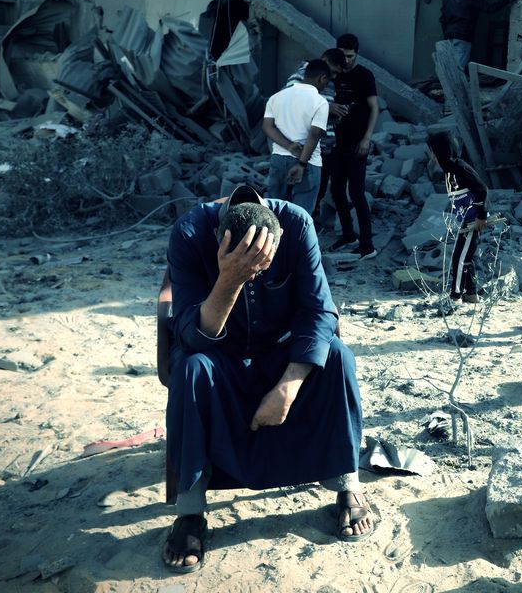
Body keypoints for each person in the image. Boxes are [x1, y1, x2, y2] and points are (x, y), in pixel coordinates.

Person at [160, 185, 376, 574]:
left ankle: (347, 484)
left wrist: (289, 385)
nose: (259, 272)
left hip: (279, 354)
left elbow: (320, 311)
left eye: (264, 265)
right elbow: (191, 336)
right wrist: (230, 278)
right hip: (218, 357)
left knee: (339, 357)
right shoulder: (190, 232)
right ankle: (190, 513)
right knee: (191, 370)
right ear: (218, 239)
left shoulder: (295, 222)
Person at [326, 33, 380, 260]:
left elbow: (374, 108)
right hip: (335, 142)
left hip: (357, 143)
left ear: (357, 54)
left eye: (351, 56)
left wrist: (367, 138)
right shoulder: (333, 73)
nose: (347, 61)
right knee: (336, 190)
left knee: (356, 193)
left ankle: (367, 245)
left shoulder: (364, 75)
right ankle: (348, 235)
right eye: (344, 56)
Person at [282, 49, 347, 227]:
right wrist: (328, 107)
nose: (333, 76)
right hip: (302, 149)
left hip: (323, 149)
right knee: (296, 194)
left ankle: (302, 231)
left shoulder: (329, 82)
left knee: (313, 194)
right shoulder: (301, 75)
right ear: (324, 60)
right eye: (332, 71)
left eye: (336, 74)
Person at [426, 130, 489, 303]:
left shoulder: (460, 168)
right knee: (466, 257)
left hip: (473, 220)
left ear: (442, 151)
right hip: (466, 220)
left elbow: (482, 189)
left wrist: (481, 216)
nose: (432, 156)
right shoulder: (449, 171)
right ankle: (471, 293)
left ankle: (455, 296)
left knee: (459, 258)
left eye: (434, 152)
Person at [262, 59, 330, 216]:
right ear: (322, 78)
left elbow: (267, 127)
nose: (325, 86)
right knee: (301, 216)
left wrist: (289, 146)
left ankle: (271, 240)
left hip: (279, 158)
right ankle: (295, 241)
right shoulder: (320, 102)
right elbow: (314, 135)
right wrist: (301, 164)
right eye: (327, 82)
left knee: (273, 211)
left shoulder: (276, 97)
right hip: (308, 162)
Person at [440, 0, 517, 71]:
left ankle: (444, 87)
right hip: (463, 35)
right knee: (458, 71)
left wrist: (446, 33)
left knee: (449, 69)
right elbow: (489, 8)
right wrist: (507, 0)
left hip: (448, 36)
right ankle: (451, 88)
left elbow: (443, 19)